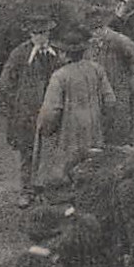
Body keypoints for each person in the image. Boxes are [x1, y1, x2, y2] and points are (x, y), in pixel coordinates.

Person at [0, 17, 69, 208]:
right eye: (36, 34)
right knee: (27, 151)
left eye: (44, 33)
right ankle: (26, 191)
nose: (40, 38)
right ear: (30, 35)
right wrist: (18, 103)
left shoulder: (58, 54)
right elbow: (6, 81)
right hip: (27, 114)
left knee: (52, 150)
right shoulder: (20, 54)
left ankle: (49, 189)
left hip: (53, 112)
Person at [34, 34, 118, 189]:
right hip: (95, 132)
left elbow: (50, 112)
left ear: (64, 54)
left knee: (66, 174)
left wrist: (45, 129)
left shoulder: (59, 76)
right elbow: (111, 101)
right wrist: (104, 124)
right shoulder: (97, 69)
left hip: (69, 136)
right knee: (92, 172)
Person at [84, 19, 134, 146]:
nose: (92, 37)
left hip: (119, 101)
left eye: (94, 32)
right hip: (98, 100)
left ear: (101, 28)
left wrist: (125, 89)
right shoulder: (90, 45)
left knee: (120, 140)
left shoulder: (122, 42)